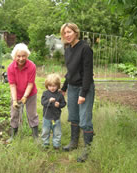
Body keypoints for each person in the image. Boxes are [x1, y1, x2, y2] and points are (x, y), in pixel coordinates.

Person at [60, 23, 95, 162]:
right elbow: (70, 72)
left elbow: (88, 73)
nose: (67, 35)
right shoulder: (68, 49)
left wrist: (83, 93)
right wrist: (64, 88)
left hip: (84, 87)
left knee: (85, 119)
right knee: (73, 116)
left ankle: (87, 150)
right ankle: (74, 143)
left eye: (69, 32)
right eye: (64, 33)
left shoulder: (85, 48)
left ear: (76, 32)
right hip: (73, 87)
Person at [7, 43, 39, 143]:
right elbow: (12, 85)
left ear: (27, 56)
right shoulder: (11, 68)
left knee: (32, 114)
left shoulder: (31, 66)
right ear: (14, 56)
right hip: (16, 93)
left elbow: (30, 83)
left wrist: (25, 96)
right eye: (18, 56)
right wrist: (15, 100)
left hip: (30, 93)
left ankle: (36, 137)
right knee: (14, 114)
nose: (21, 58)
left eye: (23, 56)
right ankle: (13, 136)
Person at [41, 73, 66, 149]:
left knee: (57, 132)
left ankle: (56, 145)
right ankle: (45, 144)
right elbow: (43, 102)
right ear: (47, 86)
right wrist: (49, 101)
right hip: (47, 117)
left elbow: (64, 103)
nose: (52, 88)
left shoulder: (59, 95)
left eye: (54, 86)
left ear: (58, 86)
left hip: (56, 117)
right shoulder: (45, 94)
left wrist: (59, 105)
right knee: (45, 131)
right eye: (50, 86)